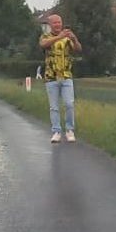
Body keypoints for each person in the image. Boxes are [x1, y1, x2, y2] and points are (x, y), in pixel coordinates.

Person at [39, 14, 82, 143]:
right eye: (55, 23)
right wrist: (59, 37)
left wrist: (74, 39)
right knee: (54, 107)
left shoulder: (67, 38)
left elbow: (78, 49)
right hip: (51, 77)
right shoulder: (45, 36)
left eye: (59, 22)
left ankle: (69, 130)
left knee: (69, 104)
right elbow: (43, 45)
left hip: (66, 76)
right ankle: (56, 131)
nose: (58, 25)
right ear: (50, 25)